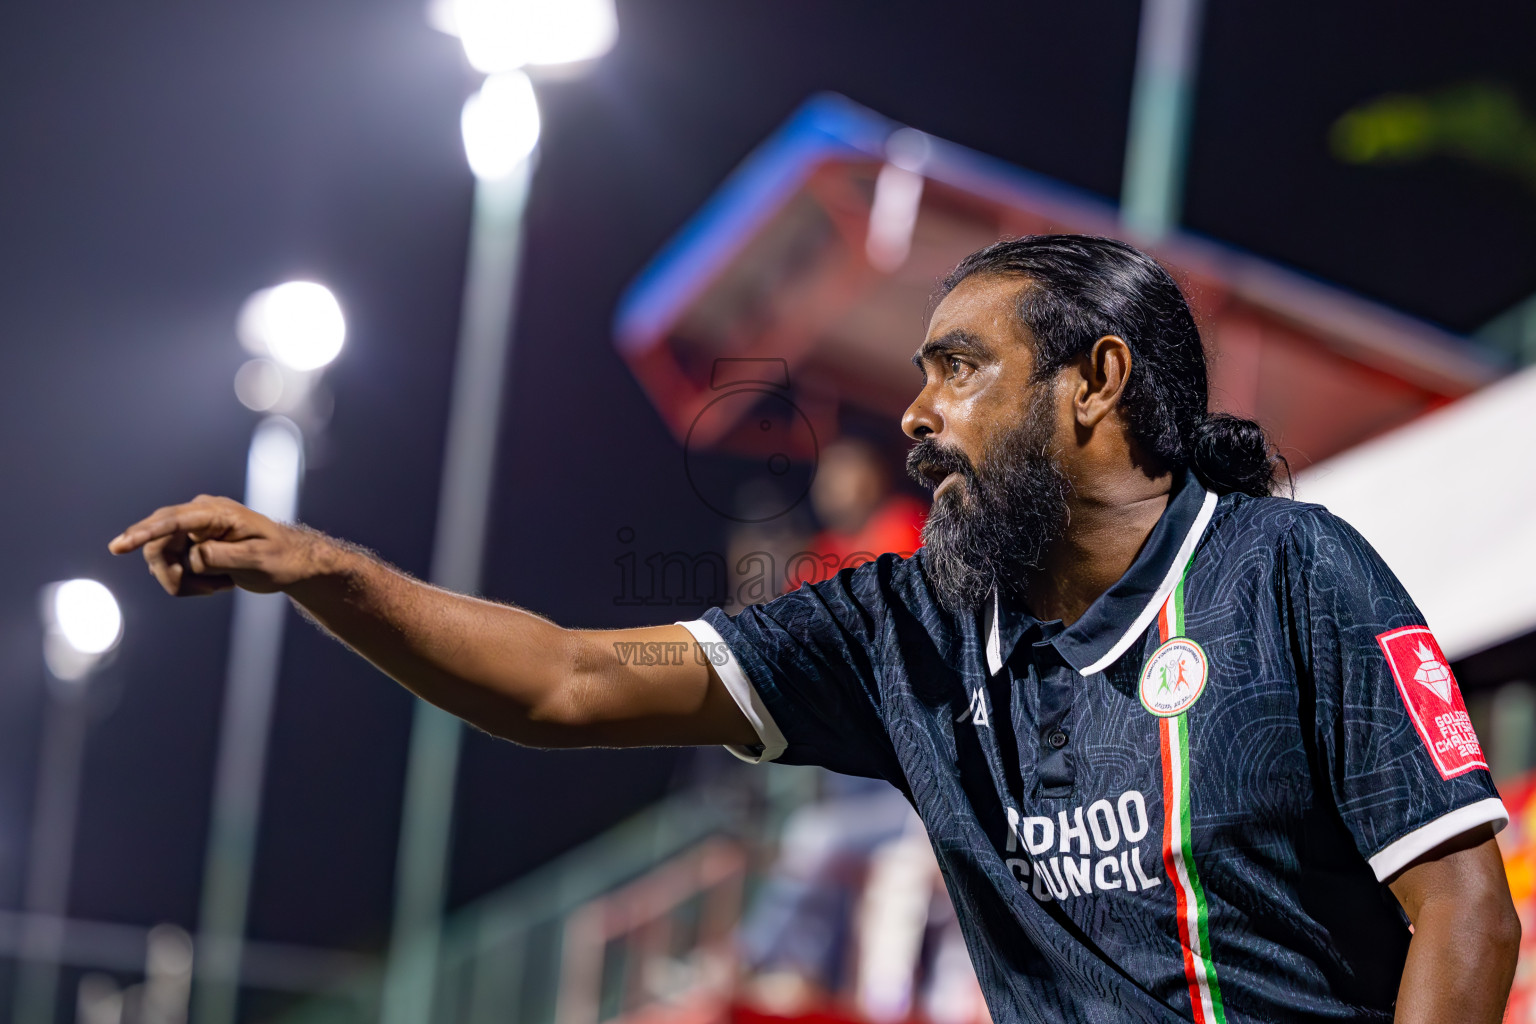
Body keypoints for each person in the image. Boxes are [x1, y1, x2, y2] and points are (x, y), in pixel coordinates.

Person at [110, 235, 1518, 1023]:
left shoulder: (1291, 572)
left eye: (959, 370)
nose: (914, 415)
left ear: (1095, 384)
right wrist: (325, 571)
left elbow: (1461, 909)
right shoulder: (900, 630)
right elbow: (565, 682)